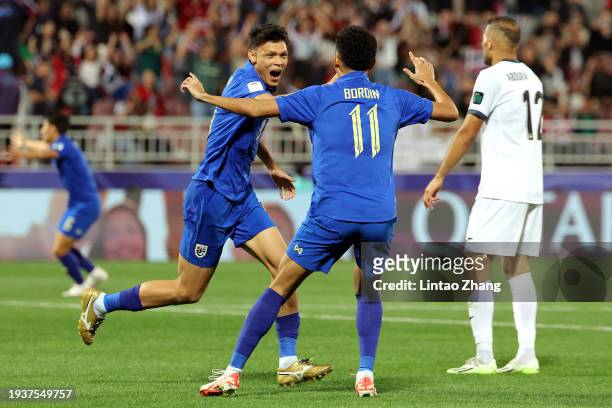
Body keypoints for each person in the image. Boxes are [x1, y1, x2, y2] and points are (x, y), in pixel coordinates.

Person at [180, 25, 458, 397]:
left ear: (336, 59)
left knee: (281, 284)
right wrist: (428, 81)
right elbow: (450, 111)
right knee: (368, 292)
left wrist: (206, 97)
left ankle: (231, 373)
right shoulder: (393, 98)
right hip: (378, 216)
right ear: (374, 62)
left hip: (332, 215)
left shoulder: (318, 97)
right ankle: (365, 375)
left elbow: (255, 106)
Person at [78, 24, 332, 388]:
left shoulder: (255, 89)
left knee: (286, 270)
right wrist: (206, 97)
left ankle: (289, 361)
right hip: (211, 195)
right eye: (271, 55)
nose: (279, 61)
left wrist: (272, 165)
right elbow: (259, 109)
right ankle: (101, 304)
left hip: (240, 196)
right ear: (252, 56)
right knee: (187, 291)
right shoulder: (249, 86)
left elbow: (252, 122)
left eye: (283, 55)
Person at [422, 17, 544, 375]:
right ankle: (527, 353)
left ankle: (485, 355)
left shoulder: (491, 77)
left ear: (489, 42)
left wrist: (440, 175)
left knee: (476, 260)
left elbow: (468, 130)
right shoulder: (533, 78)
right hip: (531, 184)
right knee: (517, 266)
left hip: (502, 184)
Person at [6, 112, 108, 297]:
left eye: (43, 126)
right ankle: (93, 272)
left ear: (53, 127)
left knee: (59, 248)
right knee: (63, 244)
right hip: (78, 203)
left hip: (85, 204)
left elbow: (45, 151)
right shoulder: (63, 144)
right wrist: (25, 143)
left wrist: (21, 150)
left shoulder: (64, 145)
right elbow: (44, 146)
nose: (41, 130)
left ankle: (81, 284)